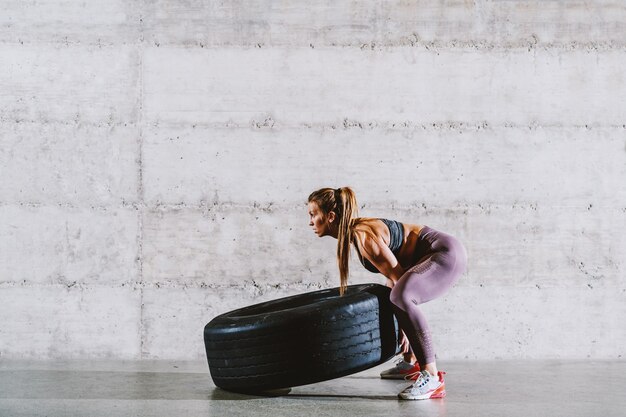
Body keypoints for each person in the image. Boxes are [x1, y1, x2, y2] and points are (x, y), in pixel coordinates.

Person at [307, 187, 467, 400]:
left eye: (312, 214)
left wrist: (402, 323)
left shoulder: (362, 235)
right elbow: (393, 277)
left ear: (331, 216)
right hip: (438, 254)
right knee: (394, 296)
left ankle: (432, 378)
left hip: (445, 253)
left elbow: (398, 278)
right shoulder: (357, 232)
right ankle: (410, 363)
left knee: (401, 297)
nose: (310, 222)